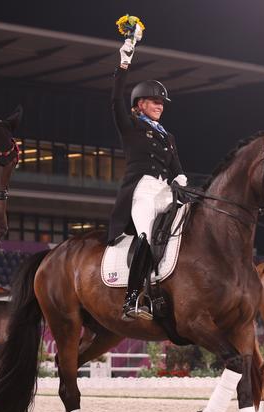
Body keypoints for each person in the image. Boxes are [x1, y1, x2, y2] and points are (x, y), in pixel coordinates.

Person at [108, 25, 188, 321]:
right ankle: (131, 299)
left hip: (165, 188)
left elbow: (177, 166)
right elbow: (115, 101)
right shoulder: (131, 127)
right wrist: (123, 64)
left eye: (162, 103)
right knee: (146, 233)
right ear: (140, 105)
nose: (160, 106)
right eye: (155, 102)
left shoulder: (168, 135)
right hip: (141, 190)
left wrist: (181, 179)